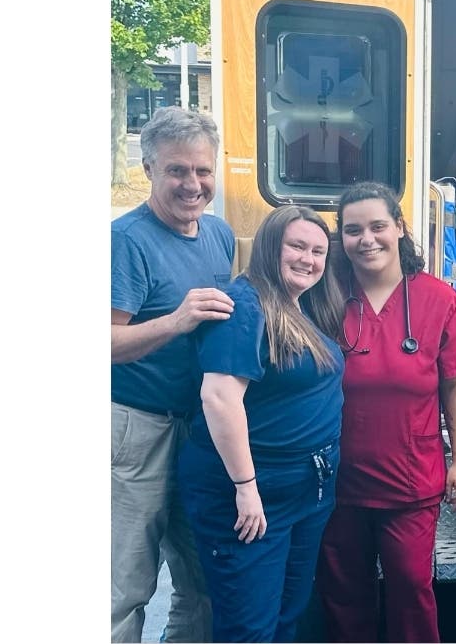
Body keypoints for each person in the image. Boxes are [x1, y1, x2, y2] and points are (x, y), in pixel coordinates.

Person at [316, 181, 456, 642]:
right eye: (352, 230)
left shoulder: (439, 299)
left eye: (377, 226)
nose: (366, 239)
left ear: (400, 228)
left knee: (411, 589)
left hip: (410, 480)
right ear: (340, 238)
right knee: (345, 595)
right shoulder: (324, 295)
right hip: (338, 479)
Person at [175, 205, 346, 642]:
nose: (308, 259)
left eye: (318, 251)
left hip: (307, 490)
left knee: (288, 616)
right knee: (249, 629)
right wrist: (246, 487)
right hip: (254, 496)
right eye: (297, 246)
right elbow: (218, 397)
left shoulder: (298, 304)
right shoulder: (244, 305)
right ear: (271, 245)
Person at [111, 106, 235, 642]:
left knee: (203, 580)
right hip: (137, 430)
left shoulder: (219, 235)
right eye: (177, 171)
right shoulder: (126, 240)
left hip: (198, 431)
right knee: (126, 587)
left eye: (203, 171)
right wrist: (175, 321)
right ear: (149, 171)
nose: (193, 184)